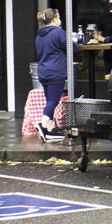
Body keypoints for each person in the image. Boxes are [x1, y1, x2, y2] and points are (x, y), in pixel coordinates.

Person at [34, 8, 77, 143]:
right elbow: (72, 48)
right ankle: (42, 124)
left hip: (43, 72)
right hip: (55, 72)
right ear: (54, 18)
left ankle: (48, 130)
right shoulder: (58, 33)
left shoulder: (39, 35)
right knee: (53, 100)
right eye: (58, 16)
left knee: (49, 100)